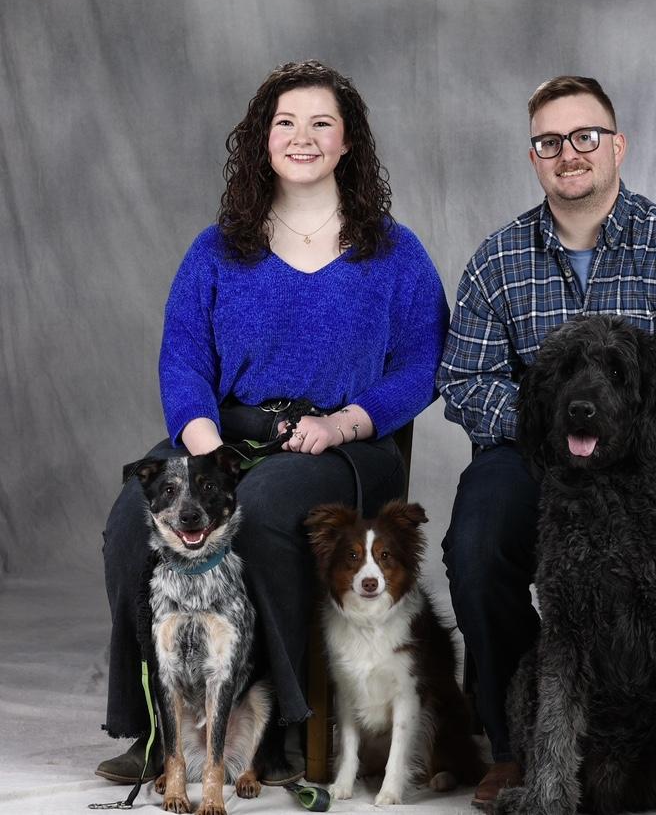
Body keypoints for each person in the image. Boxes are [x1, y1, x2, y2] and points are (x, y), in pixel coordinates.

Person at [437, 75, 656, 810]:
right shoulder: (498, 259)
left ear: (616, 145)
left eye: (584, 137)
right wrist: (544, 432)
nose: (569, 153)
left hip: (647, 467)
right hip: (536, 460)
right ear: (534, 156)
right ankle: (516, 749)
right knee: (474, 542)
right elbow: (465, 380)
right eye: (549, 142)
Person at [96, 60, 449, 783]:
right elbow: (183, 359)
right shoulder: (218, 248)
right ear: (262, 140)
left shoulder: (394, 252)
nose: (303, 137)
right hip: (225, 435)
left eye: (322, 123)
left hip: (344, 443)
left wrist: (348, 421)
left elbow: (423, 363)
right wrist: (206, 447)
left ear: (348, 142)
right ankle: (160, 729)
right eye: (285, 123)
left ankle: (286, 728)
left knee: (260, 510)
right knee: (136, 518)